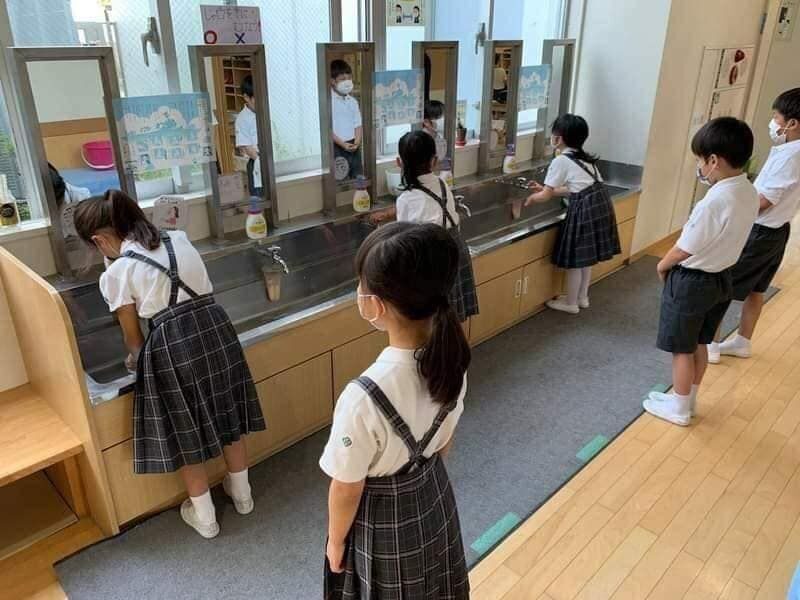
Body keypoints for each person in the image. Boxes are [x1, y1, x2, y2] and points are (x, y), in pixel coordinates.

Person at [73, 190, 266, 538]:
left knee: (185, 427)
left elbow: (134, 340)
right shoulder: (178, 239)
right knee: (227, 411)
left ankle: (205, 517)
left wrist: (137, 362)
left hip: (173, 343)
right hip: (216, 328)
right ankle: (243, 494)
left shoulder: (118, 273)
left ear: (99, 240)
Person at [321, 221, 470, 600]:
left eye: (361, 284)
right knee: (438, 584)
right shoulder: (451, 362)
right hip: (434, 496)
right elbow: (444, 444)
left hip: (383, 520)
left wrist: (335, 542)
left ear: (376, 304)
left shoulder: (362, 397)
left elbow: (346, 487)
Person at [644, 117, 758, 426]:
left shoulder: (715, 200)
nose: (699, 166)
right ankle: (687, 400)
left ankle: (679, 410)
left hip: (693, 282)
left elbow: (685, 247)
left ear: (713, 161)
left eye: (700, 160)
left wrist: (662, 265)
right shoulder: (748, 191)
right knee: (700, 342)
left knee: (681, 347)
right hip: (722, 278)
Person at [709, 87, 800, 363]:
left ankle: (710, 345)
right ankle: (742, 342)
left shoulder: (790, 156)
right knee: (757, 288)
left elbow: (765, 200)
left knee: (722, 286)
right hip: (778, 230)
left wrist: (732, 208)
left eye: (776, 117)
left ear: (792, 123)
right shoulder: (790, 151)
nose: (773, 122)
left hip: (760, 231)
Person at [526, 114, 620, 314]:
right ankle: (581, 297)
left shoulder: (561, 160)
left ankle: (570, 304)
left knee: (576, 260)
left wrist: (533, 197)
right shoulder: (584, 158)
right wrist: (546, 189)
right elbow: (575, 188)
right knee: (586, 258)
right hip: (600, 206)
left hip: (584, 209)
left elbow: (545, 196)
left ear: (558, 138)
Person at [396, 130, 478, 322]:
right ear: (434, 161)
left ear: (399, 162)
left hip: (430, 259)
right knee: (451, 315)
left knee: (432, 319)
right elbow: (431, 209)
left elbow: (403, 242)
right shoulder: (442, 183)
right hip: (455, 250)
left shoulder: (405, 199)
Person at [330, 59, 363, 181]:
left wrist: (357, 142)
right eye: (343, 79)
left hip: (354, 145)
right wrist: (343, 145)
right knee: (340, 181)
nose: (347, 82)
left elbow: (358, 124)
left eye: (349, 78)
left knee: (359, 179)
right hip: (337, 147)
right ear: (333, 81)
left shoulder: (353, 101)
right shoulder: (328, 102)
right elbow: (327, 129)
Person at [234, 75, 262, 196]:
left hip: (271, 159)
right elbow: (246, 147)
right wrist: (260, 161)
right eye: (256, 98)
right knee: (259, 198)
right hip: (256, 161)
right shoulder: (242, 119)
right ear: (246, 97)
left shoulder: (266, 111)